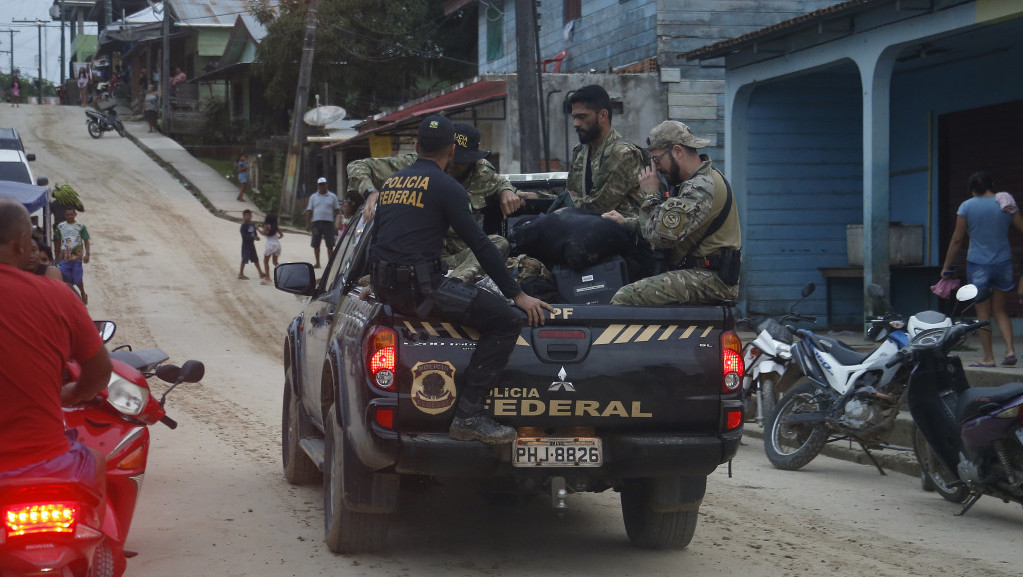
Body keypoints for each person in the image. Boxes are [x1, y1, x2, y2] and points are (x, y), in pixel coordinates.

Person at [367, 115, 553, 444]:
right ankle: (469, 415)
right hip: (423, 289)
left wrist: (375, 283)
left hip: (389, 288)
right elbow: (481, 245)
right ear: (452, 151)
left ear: (416, 146)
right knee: (506, 320)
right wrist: (518, 296)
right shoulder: (448, 187)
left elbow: (378, 239)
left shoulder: (393, 183)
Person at [0, 198, 112, 500]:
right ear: (24, 243)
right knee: (98, 461)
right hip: (46, 460)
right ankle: (103, 547)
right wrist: (74, 394)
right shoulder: (57, 295)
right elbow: (101, 372)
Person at [349, 122, 527, 281]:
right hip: (415, 264)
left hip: (459, 263)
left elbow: (499, 182)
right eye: (452, 158)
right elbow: (357, 166)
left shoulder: (481, 173)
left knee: (498, 243)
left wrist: (507, 191)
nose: (453, 164)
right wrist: (370, 192)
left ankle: (455, 284)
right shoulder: (412, 166)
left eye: (461, 161)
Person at [602, 120, 741, 306]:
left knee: (626, 297)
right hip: (697, 272)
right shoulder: (690, 182)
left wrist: (651, 194)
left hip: (713, 280)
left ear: (677, 151)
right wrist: (625, 222)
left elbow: (663, 236)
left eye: (657, 160)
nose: (655, 167)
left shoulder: (701, 187)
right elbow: (666, 221)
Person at [940, 171, 1023, 367]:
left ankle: (988, 358)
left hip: (978, 265)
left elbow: (957, 239)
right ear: (990, 185)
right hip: (1003, 262)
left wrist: (946, 267)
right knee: (1000, 310)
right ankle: (1010, 350)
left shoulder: (966, 206)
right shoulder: (1004, 202)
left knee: (983, 314)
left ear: (970, 189)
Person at [564, 84, 646, 216]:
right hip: (586, 225)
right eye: (574, 117)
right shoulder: (580, 151)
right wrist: (535, 197)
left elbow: (599, 206)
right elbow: (570, 193)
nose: (576, 124)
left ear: (603, 115)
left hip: (622, 230)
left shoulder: (623, 153)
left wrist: (564, 200)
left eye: (582, 117)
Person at [55, 207, 91, 305]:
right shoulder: (60, 226)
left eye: (72, 214)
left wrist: (87, 254)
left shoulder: (80, 226)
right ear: (65, 215)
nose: (70, 216)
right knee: (65, 279)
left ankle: (83, 293)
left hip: (77, 258)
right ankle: (72, 298)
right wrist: (56, 256)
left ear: (75, 215)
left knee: (78, 279)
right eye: (68, 214)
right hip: (64, 258)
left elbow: (86, 240)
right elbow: (57, 242)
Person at [305, 177, 341, 268]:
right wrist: (308, 224)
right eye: (320, 185)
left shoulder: (332, 196)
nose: (322, 186)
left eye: (324, 184)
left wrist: (332, 217)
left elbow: (337, 209)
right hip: (316, 223)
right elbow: (309, 211)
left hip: (328, 223)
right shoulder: (313, 197)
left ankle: (330, 263)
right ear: (318, 186)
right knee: (316, 244)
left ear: (326, 185)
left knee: (330, 244)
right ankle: (317, 263)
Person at [239, 209, 264, 280]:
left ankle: (261, 273)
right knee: (244, 259)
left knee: (255, 259)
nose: (248, 217)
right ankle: (241, 273)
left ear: (251, 216)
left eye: (249, 215)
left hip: (252, 246)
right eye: (246, 215)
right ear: (243, 217)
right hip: (246, 246)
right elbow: (244, 237)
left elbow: (254, 233)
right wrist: (253, 237)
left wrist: (256, 237)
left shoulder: (252, 224)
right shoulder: (243, 226)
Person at [261, 213, 283, 285]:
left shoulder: (266, 225)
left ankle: (268, 278)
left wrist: (257, 229)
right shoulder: (276, 227)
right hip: (277, 244)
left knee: (266, 261)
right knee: (275, 262)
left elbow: (263, 233)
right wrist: (276, 238)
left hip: (270, 245)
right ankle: (282, 275)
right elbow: (281, 235)